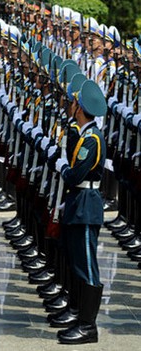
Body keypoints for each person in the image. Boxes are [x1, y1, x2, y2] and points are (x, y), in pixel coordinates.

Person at [52, 79, 107, 345]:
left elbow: (75, 175)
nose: (70, 106)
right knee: (76, 262)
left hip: (86, 204)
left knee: (87, 266)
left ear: (80, 108)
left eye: (74, 103)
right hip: (78, 203)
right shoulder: (85, 135)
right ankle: (79, 314)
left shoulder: (92, 139)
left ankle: (89, 326)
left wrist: (62, 166)